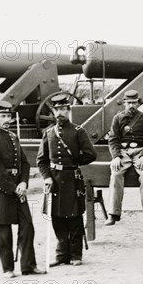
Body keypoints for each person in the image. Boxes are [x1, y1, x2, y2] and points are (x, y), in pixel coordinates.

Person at [0, 101, 46, 278]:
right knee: (4, 231)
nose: (6, 120)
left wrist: (24, 183)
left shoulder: (12, 136)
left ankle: (28, 266)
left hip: (19, 188)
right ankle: (8, 268)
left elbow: (24, 163)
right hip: (1, 191)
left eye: (8, 116)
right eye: (2, 116)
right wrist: (13, 187)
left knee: (28, 226)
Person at [37, 94, 97, 267]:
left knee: (75, 217)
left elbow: (91, 154)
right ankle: (62, 255)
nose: (59, 113)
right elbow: (41, 160)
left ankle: (76, 255)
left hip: (72, 179)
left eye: (63, 109)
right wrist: (47, 177)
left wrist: (75, 161)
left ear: (68, 111)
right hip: (54, 180)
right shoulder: (48, 133)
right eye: (56, 110)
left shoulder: (78, 131)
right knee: (57, 217)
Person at [105, 90, 143, 227]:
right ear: (124, 103)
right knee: (115, 174)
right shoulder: (117, 118)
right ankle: (113, 213)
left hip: (140, 152)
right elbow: (113, 140)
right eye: (128, 103)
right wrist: (116, 156)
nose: (131, 106)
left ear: (138, 103)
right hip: (123, 152)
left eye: (134, 103)